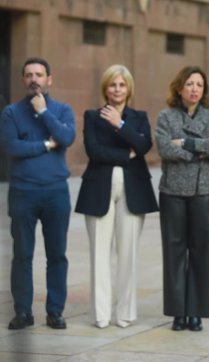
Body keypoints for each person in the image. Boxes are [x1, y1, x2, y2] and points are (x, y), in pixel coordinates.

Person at [75, 64, 158, 329]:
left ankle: (125, 313)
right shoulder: (91, 116)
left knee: (127, 255)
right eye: (113, 84)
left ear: (128, 88)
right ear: (106, 88)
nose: (117, 89)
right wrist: (126, 155)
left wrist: (119, 124)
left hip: (133, 190)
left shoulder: (139, 116)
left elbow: (144, 145)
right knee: (99, 254)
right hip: (98, 188)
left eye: (122, 85)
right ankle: (100, 315)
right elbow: (93, 151)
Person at [0, 57, 75, 330]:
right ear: (23, 80)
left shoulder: (62, 110)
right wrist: (45, 144)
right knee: (22, 254)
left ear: (49, 79)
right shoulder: (10, 113)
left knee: (57, 255)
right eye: (29, 75)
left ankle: (55, 311)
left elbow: (66, 139)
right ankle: (23, 312)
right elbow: (11, 148)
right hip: (23, 193)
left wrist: (44, 113)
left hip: (56, 193)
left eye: (39, 75)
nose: (34, 79)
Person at [156, 66, 209, 332]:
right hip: (172, 191)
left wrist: (183, 143)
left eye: (199, 84)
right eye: (189, 84)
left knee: (200, 253)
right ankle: (177, 313)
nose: (195, 89)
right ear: (179, 88)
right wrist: (200, 145)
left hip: (203, 191)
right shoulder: (166, 116)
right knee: (173, 253)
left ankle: (195, 312)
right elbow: (163, 148)